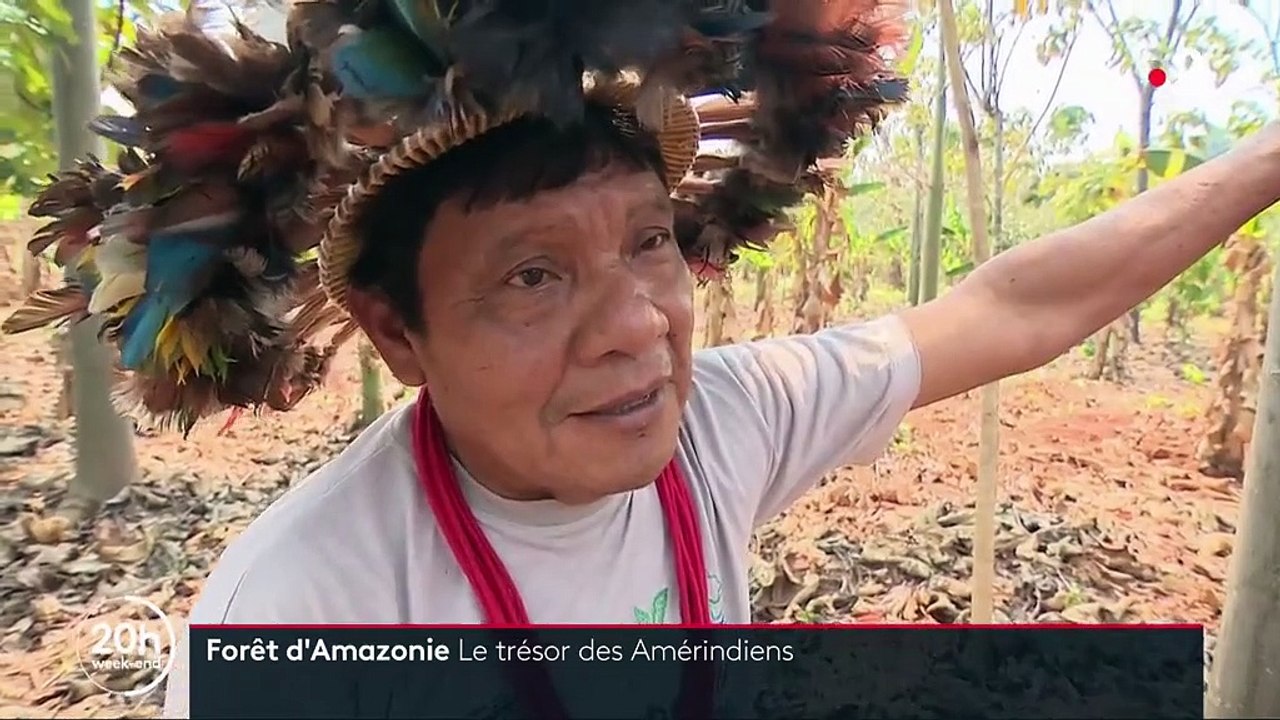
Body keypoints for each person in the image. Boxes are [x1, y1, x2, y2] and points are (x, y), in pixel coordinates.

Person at [3, 2, 1275, 719]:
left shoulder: (723, 422)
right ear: (398, 336)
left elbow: (1012, 306)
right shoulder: (308, 612)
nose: (633, 327)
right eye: (532, 274)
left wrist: (1262, 163)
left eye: (649, 244)